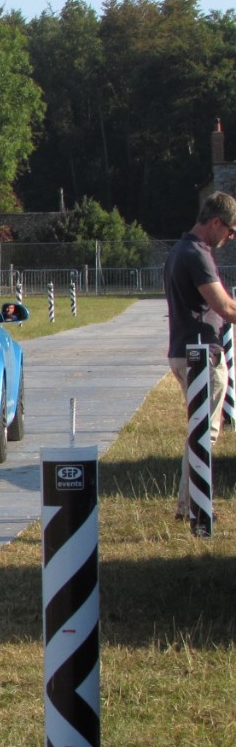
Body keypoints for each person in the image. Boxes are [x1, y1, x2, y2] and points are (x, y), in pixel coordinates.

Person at [163, 191, 236, 521]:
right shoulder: (197, 255)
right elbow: (225, 307)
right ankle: (196, 507)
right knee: (206, 432)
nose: (230, 237)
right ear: (216, 222)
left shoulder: (179, 250)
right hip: (201, 354)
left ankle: (187, 505)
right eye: (230, 230)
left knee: (199, 429)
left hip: (184, 349)